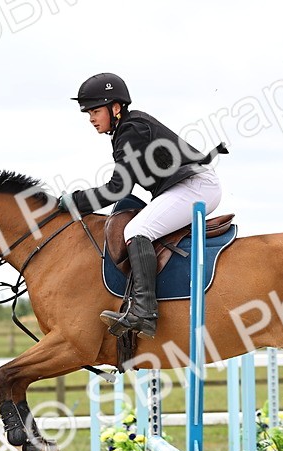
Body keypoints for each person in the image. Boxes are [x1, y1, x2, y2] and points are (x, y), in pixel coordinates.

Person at [61, 73, 226, 339]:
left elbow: (118, 188)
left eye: (95, 110)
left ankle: (144, 311)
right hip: (186, 186)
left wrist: (76, 201)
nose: (91, 118)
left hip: (195, 187)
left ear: (116, 108)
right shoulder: (128, 129)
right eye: (88, 113)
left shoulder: (131, 130)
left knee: (136, 230)